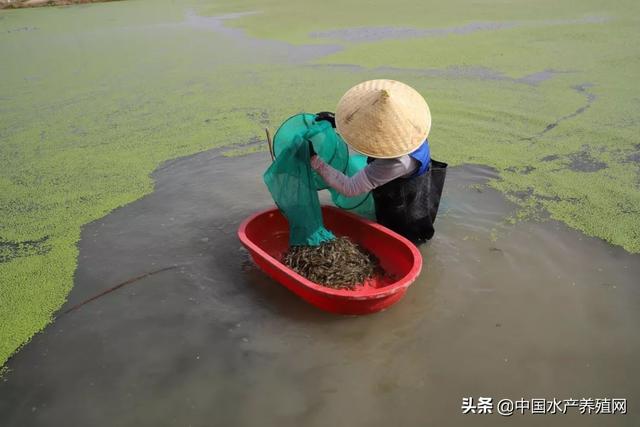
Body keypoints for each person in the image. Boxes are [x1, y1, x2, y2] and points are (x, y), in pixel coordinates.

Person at [309, 79, 447, 243]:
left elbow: (349, 188)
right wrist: (339, 122)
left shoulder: (397, 162)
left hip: (405, 212)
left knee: (400, 239)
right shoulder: (413, 129)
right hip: (409, 184)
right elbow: (378, 124)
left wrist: (315, 161)